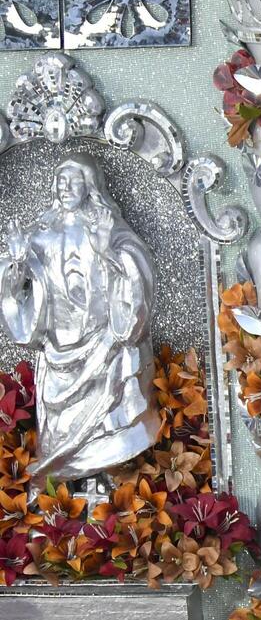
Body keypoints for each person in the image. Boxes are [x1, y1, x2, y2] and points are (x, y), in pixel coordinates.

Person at [0, 154, 157, 483]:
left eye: (74, 180)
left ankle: (106, 479)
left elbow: (134, 272)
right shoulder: (41, 234)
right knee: (59, 436)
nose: (65, 187)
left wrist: (107, 252)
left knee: (110, 433)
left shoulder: (109, 230)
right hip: (58, 353)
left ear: (91, 186)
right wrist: (15, 263)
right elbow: (16, 289)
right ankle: (61, 493)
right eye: (61, 180)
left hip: (103, 349)